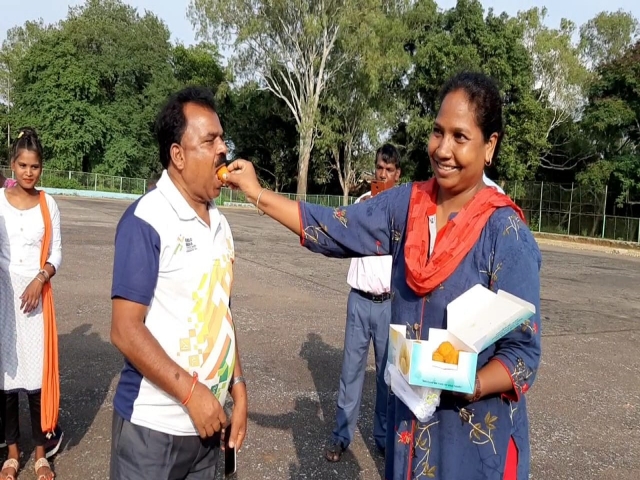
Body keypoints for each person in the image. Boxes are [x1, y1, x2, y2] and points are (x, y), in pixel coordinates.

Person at [224, 71, 541, 480]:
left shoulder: (507, 235)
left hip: (471, 435)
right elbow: (335, 226)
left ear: (489, 146)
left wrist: (473, 384)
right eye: (437, 132)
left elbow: (523, 355)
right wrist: (257, 193)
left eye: (460, 137)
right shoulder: (408, 205)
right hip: (410, 425)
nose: (443, 149)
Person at [109, 86, 248, 479]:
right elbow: (124, 329)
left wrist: (237, 387)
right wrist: (191, 394)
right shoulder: (147, 220)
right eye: (210, 140)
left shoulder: (219, 223)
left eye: (222, 138)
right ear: (178, 155)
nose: (223, 148)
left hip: (208, 429)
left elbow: (222, 312)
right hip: (153, 431)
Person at [325, 144, 401, 462]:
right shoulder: (361, 204)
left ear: (398, 175)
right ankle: (342, 436)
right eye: (378, 169)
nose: (382, 175)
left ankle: (383, 438)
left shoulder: (403, 212)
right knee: (351, 372)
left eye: (388, 170)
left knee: (388, 376)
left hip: (389, 305)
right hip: (358, 300)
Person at [0, 128, 63, 480]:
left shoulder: (47, 204)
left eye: (34, 166)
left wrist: (41, 279)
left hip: (37, 300)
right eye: (22, 165)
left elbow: (57, 254)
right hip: (4, 298)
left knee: (37, 376)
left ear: (41, 168)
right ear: (12, 165)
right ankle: (12, 454)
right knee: (6, 377)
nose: (28, 172)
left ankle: (40, 455)